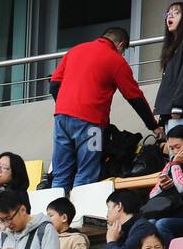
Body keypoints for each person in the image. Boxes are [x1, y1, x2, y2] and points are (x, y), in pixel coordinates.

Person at [48, 26, 160, 192]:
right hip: (90, 123)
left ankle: (55, 216)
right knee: (87, 174)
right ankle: (80, 216)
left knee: (60, 174)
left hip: (62, 118)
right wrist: (153, 125)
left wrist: (66, 106)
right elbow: (134, 97)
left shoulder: (75, 50)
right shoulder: (115, 60)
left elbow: (54, 84)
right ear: (121, 45)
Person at [153, 2, 183, 132]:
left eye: (176, 13)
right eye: (168, 13)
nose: (170, 16)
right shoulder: (173, 46)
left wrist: (178, 105)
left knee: (179, 149)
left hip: (180, 111)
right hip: (172, 110)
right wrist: (163, 116)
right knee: (173, 150)